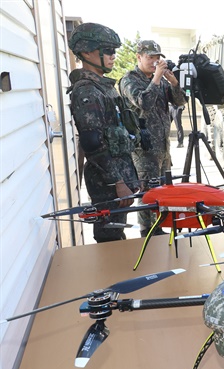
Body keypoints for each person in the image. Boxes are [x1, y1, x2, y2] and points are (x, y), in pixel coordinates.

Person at [67, 23, 138, 243]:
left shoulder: (104, 87)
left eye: (114, 51)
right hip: (106, 182)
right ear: (87, 51)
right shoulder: (87, 90)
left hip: (118, 177)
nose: (112, 56)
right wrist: (118, 182)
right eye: (107, 51)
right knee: (109, 238)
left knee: (117, 233)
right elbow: (92, 143)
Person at [120, 40, 187, 237]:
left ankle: (158, 228)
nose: (155, 62)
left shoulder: (160, 81)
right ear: (139, 57)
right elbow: (144, 103)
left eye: (157, 58)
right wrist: (157, 78)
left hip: (163, 146)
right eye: (150, 57)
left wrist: (173, 82)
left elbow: (181, 100)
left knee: (163, 190)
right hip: (144, 147)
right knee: (148, 192)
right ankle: (147, 232)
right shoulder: (129, 80)